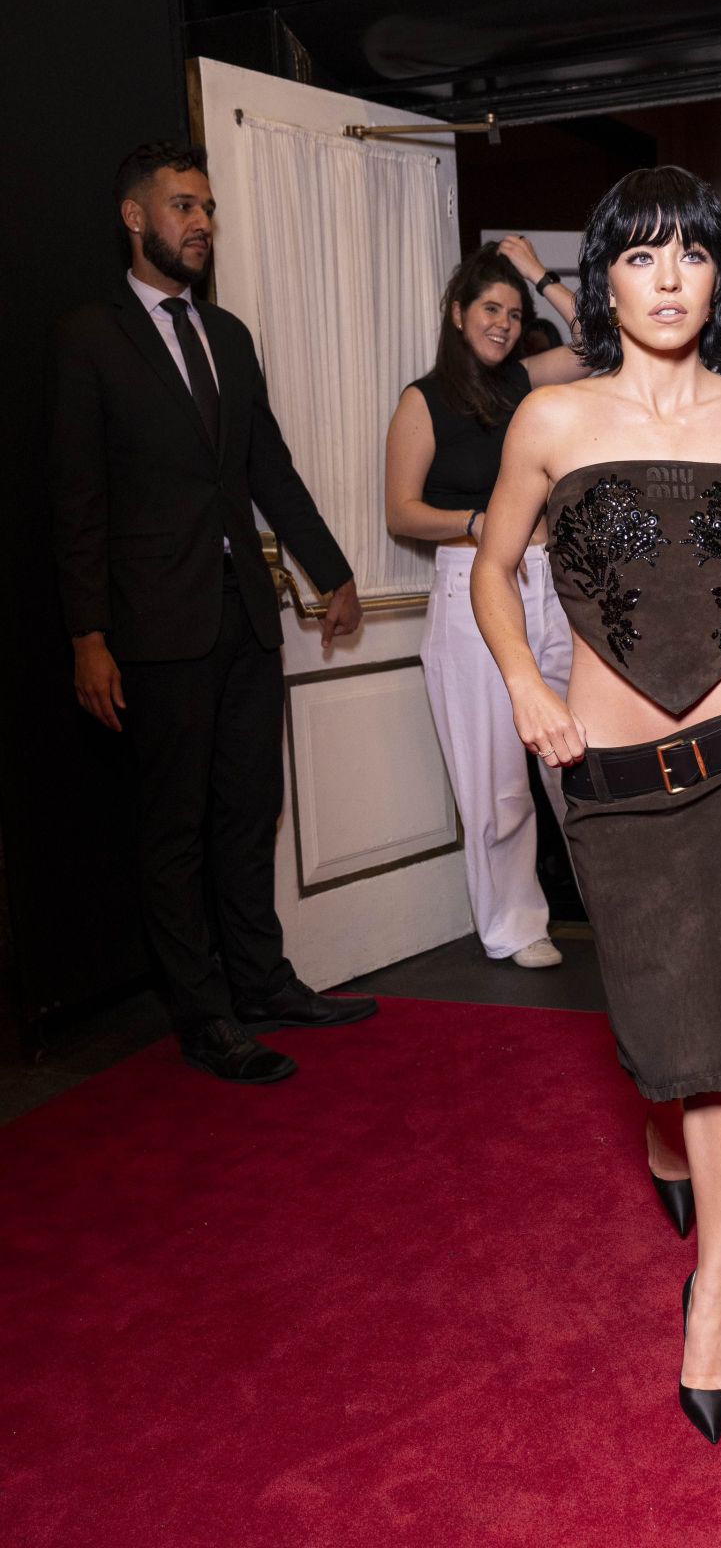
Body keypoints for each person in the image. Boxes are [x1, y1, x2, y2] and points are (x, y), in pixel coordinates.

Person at [470, 167, 721, 1442]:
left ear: (718, 275)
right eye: (639, 257)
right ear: (605, 279)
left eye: (690, 256)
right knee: (659, 1032)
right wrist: (523, 681)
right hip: (612, 784)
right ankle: (665, 1141)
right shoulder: (552, 423)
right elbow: (494, 568)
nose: (667, 279)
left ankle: (712, 1298)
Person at [49, 141, 377, 1086]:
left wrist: (332, 569)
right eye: (184, 206)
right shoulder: (89, 336)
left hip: (245, 616)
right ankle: (204, 1016)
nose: (201, 223)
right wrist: (88, 636)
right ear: (135, 217)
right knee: (174, 828)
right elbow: (76, 500)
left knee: (248, 811)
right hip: (152, 628)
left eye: (208, 209)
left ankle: (265, 983)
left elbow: (264, 465)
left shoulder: (227, 334)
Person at [385, 234, 588, 968]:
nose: (503, 322)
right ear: (457, 312)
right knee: (498, 776)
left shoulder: (527, 383)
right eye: (490, 308)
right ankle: (515, 927)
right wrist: (478, 522)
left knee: (577, 756)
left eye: (514, 309)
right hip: (469, 584)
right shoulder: (423, 399)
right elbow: (401, 512)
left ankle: (613, 905)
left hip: (547, 585)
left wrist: (540, 273)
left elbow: (600, 340)